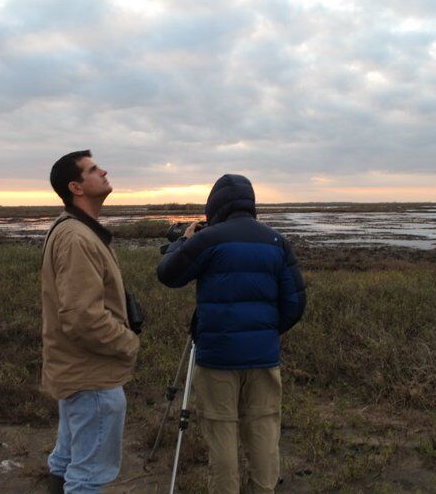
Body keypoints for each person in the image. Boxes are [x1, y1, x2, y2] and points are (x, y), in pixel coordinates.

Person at [157, 174, 306, 494]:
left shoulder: (208, 240)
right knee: (264, 428)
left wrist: (184, 240)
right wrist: (264, 332)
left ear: (215, 205)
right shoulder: (277, 242)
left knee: (221, 432)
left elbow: (169, 274)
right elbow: (295, 304)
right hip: (263, 358)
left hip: (216, 358)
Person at [41, 150, 140, 493]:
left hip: (77, 372)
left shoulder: (78, 230)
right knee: (88, 477)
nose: (104, 171)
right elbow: (82, 317)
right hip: (92, 377)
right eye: (93, 169)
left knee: (67, 459)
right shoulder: (76, 238)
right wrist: (128, 342)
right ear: (76, 187)